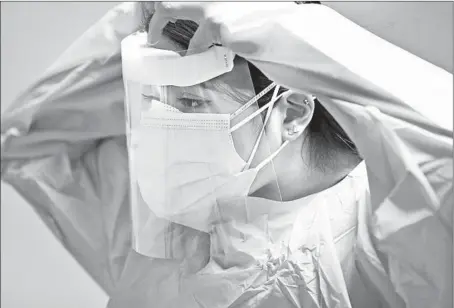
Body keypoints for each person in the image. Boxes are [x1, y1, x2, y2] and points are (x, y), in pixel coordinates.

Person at [1, 2, 452, 308]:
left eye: (192, 102)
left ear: (292, 111)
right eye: (155, 101)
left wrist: (264, 27)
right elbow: (27, 141)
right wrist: (142, 18)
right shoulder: (177, 231)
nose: (163, 126)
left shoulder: (385, 230)